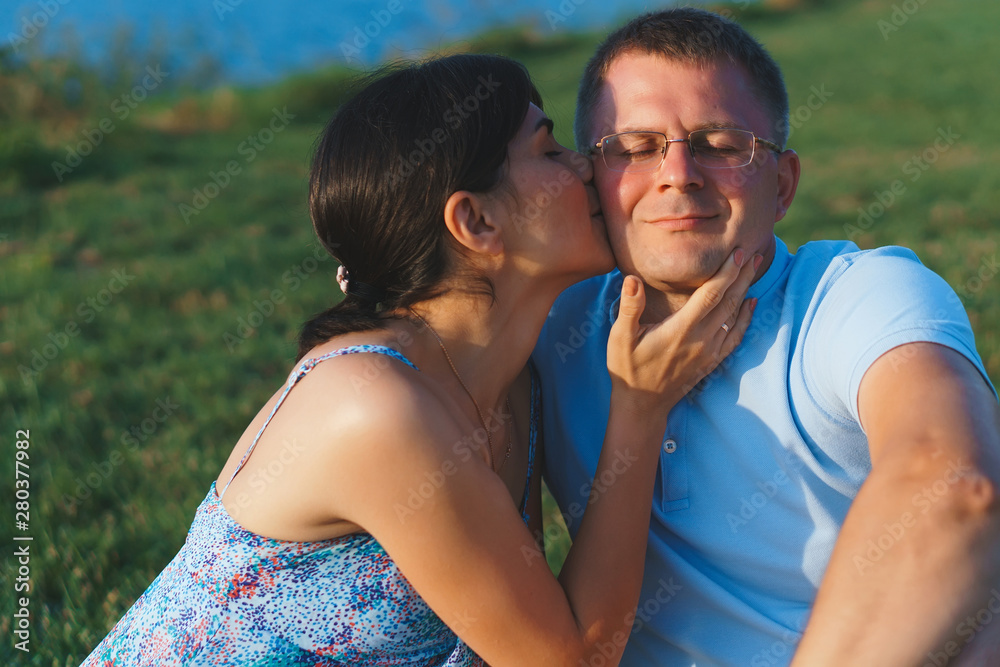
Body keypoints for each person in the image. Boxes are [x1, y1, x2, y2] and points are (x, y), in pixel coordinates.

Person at [81, 54, 760, 666]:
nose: (586, 164)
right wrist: (639, 409)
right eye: (549, 150)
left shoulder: (510, 381)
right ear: (477, 223)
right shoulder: (375, 406)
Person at [531, 8, 1000, 666]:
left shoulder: (857, 296)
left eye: (720, 144)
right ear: (591, 184)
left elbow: (952, 487)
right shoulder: (550, 330)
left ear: (782, 184)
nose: (678, 172)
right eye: (635, 148)